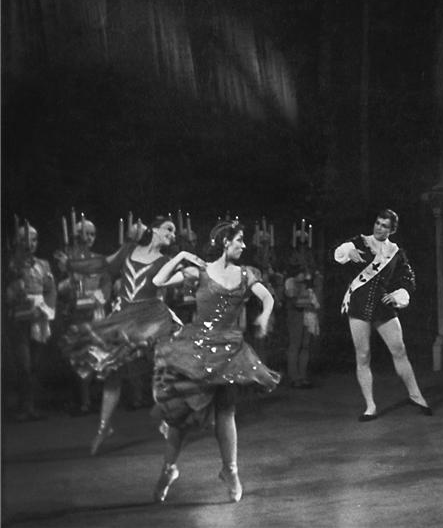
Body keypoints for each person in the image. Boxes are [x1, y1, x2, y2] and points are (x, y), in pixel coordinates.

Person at [150, 220, 281, 504]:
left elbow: (268, 298)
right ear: (225, 242)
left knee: (226, 410)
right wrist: (182, 256)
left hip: (228, 351)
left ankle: (230, 471)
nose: (243, 245)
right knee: (181, 415)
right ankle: (169, 469)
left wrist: (264, 315)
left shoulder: (246, 274)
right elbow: (158, 281)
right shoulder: (199, 272)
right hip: (196, 349)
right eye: (239, 240)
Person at [58, 216, 183, 455]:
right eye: (169, 228)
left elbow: (179, 281)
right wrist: (72, 265)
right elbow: (102, 264)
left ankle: (168, 418)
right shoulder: (128, 250)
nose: (173, 234)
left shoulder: (165, 261)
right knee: (112, 373)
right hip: (126, 316)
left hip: (151, 318)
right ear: (154, 229)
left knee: (163, 367)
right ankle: (104, 427)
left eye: (174, 231)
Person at [333, 208, 431, 421]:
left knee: (399, 350)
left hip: (382, 306)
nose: (379, 227)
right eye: (378, 223)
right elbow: (340, 251)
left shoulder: (396, 252)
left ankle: (416, 395)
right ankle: (370, 406)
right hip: (358, 305)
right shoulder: (360, 242)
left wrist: (398, 294)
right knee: (363, 355)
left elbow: (408, 278)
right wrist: (349, 252)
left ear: (391, 230)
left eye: (384, 225)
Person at [55, 219, 111, 414]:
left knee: (97, 356)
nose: (88, 238)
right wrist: (70, 282)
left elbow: (106, 283)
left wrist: (98, 298)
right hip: (76, 316)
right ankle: (83, 401)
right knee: (80, 358)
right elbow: (59, 289)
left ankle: (97, 398)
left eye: (92, 234)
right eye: (84, 234)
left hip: (96, 314)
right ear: (76, 236)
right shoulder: (68, 260)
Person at [4, 224, 56, 421]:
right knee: (23, 365)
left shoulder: (43, 264)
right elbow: (8, 292)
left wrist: (47, 309)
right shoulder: (11, 264)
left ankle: (31, 406)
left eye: (34, 239)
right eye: (25, 239)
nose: (30, 244)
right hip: (19, 320)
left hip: (38, 317)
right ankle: (24, 406)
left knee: (35, 364)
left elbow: (50, 289)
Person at [283, 225, 322, 388]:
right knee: (295, 343)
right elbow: (289, 289)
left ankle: (303, 375)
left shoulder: (311, 269)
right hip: (296, 308)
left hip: (308, 307)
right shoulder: (291, 276)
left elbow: (315, 280)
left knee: (306, 343)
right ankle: (294, 376)